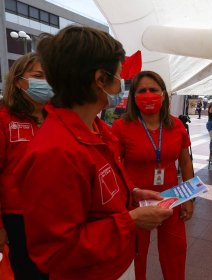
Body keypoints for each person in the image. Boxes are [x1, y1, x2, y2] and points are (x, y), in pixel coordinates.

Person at [13, 26, 173, 280]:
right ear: (100, 79)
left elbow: (96, 192)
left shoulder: (97, 130)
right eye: (119, 75)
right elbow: (56, 251)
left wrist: (131, 193)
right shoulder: (55, 152)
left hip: (114, 263)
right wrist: (130, 221)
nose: (122, 84)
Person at [112, 71, 193, 280]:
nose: (148, 94)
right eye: (142, 91)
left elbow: (185, 161)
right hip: (136, 200)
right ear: (133, 97)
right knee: (136, 255)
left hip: (172, 198)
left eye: (153, 90)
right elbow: (115, 167)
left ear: (163, 94)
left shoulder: (176, 126)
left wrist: (189, 198)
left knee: (175, 252)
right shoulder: (121, 127)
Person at [0, 53, 51, 279]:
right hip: (17, 218)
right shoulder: (4, 118)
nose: (46, 82)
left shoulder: (56, 119)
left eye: (49, 77)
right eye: (38, 76)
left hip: (55, 214)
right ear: (19, 81)